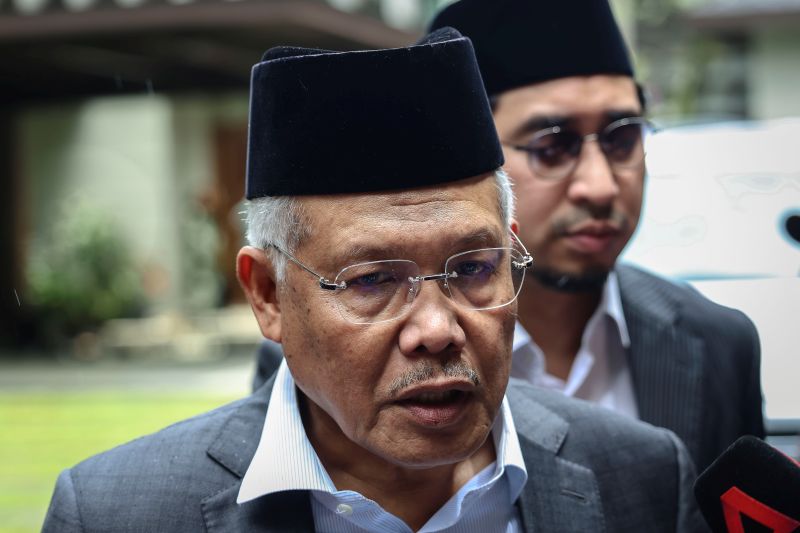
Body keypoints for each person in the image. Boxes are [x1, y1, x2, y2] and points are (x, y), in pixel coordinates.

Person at [42, 29, 705, 532]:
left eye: (473, 268)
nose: (437, 329)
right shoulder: (117, 512)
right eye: (372, 280)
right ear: (267, 294)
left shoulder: (640, 476)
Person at [428, 0, 765, 472]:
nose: (601, 185)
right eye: (552, 146)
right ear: (468, 161)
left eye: (622, 139)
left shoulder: (717, 344)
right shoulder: (415, 347)